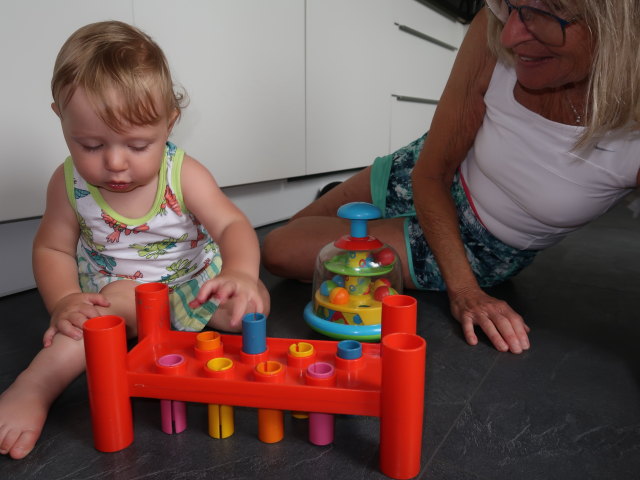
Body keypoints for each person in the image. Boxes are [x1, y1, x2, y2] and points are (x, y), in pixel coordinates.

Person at [262, 1, 640, 354]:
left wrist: (467, 288)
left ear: (617, 23)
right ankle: (373, 219)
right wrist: (462, 291)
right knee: (299, 234)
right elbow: (431, 171)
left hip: (479, 240)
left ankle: (376, 222)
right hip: (424, 170)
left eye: (541, 14)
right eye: (508, 6)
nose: (508, 35)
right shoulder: (497, 21)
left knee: (281, 249)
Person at [0, 20, 269, 460]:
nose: (115, 163)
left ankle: (179, 324)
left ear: (170, 122)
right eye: (89, 145)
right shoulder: (67, 183)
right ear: (59, 118)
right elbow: (51, 247)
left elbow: (231, 226)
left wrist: (240, 274)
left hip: (194, 285)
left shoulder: (185, 172)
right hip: (119, 295)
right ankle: (33, 387)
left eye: (138, 145)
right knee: (85, 325)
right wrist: (65, 300)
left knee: (250, 308)